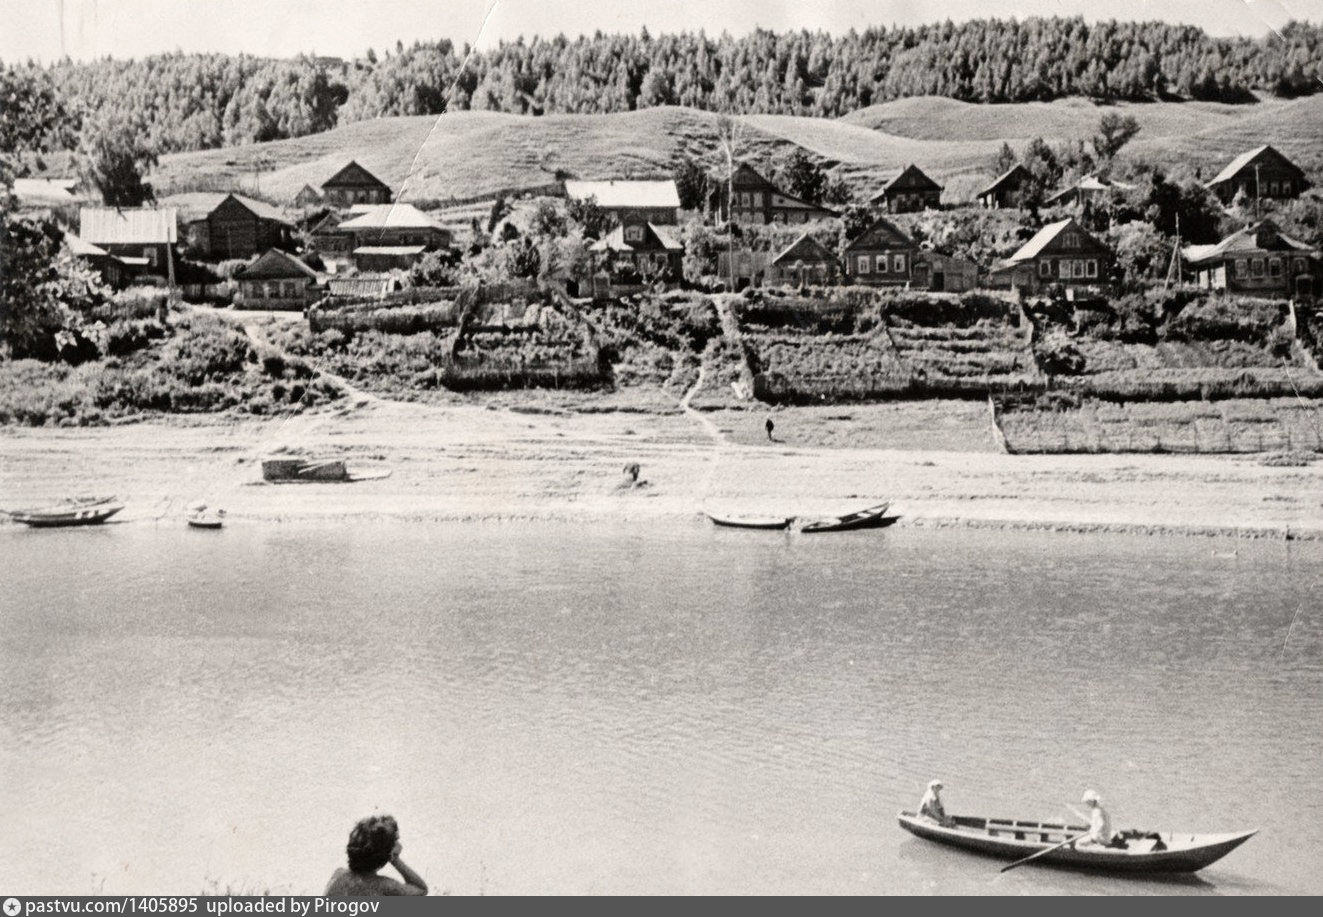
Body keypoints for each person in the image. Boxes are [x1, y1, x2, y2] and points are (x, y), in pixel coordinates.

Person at [325, 814, 429, 896]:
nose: (400, 845)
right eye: (396, 841)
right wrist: (395, 859)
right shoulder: (384, 886)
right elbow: (421, 889)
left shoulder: (338, 874)